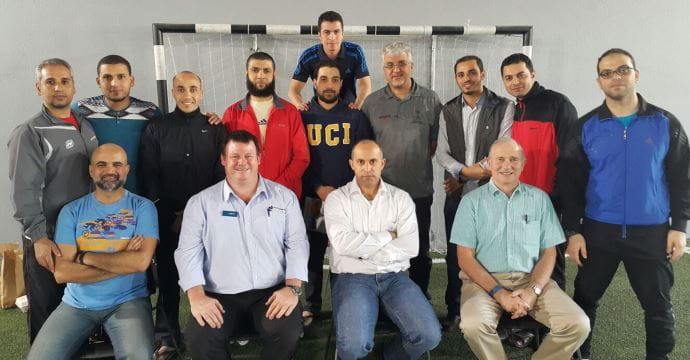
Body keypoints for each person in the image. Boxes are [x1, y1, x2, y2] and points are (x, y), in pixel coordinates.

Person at [560, 48, 689, 360]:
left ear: (636, 75)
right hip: (597, 232)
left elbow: (682, 178)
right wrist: (573, 231)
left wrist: (679, 227)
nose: (615, 77)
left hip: (652, 232)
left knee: (658, 306)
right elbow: (570, 184)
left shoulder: (664, 123)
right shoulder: (584, 127)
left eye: (622, 70)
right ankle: (582, 356)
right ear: (599, 81)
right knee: (584, 299)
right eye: (607, 73)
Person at [175, 130, 309, 360]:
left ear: (259, 158)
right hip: (220, 295)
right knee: (199, 340)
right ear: (223, 160)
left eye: (248, 156)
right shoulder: (200, 203)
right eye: (235, 156)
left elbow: (297, 243)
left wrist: (293, 288)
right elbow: (188, 251)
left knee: (287, 332)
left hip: (271, 292)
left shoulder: (284, 198)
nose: (242, 162)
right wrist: (196, 296)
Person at [452, 138, 589, 360]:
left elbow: (549, 252)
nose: (507, 165)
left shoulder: (540, 199)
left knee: (578, 324)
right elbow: (465, 258)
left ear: (523, 163)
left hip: (532, 280)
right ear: (488, 163)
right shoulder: (471, 202)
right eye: (500, 159)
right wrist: (499, 293)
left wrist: (533, 290)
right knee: (473, 325)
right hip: (484, 285)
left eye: (514, 159)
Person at [27, 144, 159, 360]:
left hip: (128, 301)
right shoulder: (71, 211)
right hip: (76, 304)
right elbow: (63, 273)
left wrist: (83, 256)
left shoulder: (142, 208)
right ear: (91, 170)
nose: (110, 170)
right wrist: (123, 261)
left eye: (117, 164)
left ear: (127, 169)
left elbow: (140, 262)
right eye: (101, 164)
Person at [8, 58, 99, 343]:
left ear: (73, 86)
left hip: (82, 231)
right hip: (47, 234)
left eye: (64, 81)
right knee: (48, 306)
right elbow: (23, 190)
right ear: (38, 88)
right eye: (50, 82)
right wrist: (38, 238)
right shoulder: (30, 132)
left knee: (77, 303)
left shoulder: (85, 126)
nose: (58, 88)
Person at [324, 140, 441, 359]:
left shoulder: (401, 199)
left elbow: (410, 247)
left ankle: (387, 355)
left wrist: (361, 251)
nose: (367, 168)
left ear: (382, 163)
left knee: (429, 336)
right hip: (352, 279)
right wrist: (388, 235)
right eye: (361, 162)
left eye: (373, 161)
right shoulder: (336, 199)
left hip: (395, 277)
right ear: (351, 164)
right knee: (353, 347)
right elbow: (342, 244)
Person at [140, 71, 227, 358]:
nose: (187, 95)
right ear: (173, 93)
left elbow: (220, 174)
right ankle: (166, 336)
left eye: (192, 89)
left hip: (208, 217)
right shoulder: (156, 127)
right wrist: (171, 213)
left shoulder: (215, 127)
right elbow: (150, 175)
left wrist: (198, 214)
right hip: (168, 217)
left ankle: (215, 330)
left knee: (213, 275)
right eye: (180, 89)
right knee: (168, 277)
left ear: (202, 93)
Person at [435, 55, 513, 330]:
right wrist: (462, 172)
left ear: (483, 74)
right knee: (457, 256)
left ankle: (498, 312)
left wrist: (468, 174)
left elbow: (503, 147)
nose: (466, 79)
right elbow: (441, 153)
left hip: (491, 195)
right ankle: (455, 309)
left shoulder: (503, 106)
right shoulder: (448, 110)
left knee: (492, 256)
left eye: (472, 73)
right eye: (461, 74)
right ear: (456, 78)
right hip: (456, 197)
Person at [361, 41, 441, 295]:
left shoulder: (430, 99)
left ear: (411, 66)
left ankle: (419, 297)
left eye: (401, 64)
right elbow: (366, 149)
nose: (396, 70)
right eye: (390, 65)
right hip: (381, 196)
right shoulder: (372, 103)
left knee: (418, 249)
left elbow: (434, 143)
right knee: (382, 249)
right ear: (384, 70)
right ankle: (383, 300)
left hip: (418, 191)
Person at [300, 60, 372, 326]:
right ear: (315, 82)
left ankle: (346, 304)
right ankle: (311, 305)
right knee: (313, 252)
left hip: (348, 199)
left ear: (341, 83)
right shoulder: (303, 115)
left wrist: (345, 193)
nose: (329, 85)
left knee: (347, 253)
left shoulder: (355, 115)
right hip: (314, 198)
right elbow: (299, 158)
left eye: (334, 79)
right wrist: (319, 189)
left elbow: (365, 157)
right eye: (323, 79)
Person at [500, 53, 578, 290]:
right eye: (509, 77)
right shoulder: (512, 110)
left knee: (551, 264)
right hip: (517, 199)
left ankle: (553, 322)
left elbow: (572, 157)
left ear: (533, 74)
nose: (516, 82)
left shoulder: (558, 105)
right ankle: (526, 318)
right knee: (523, 262)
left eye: (521, 75)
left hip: (548, 201)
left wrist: (559, 197)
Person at [222, 52, 310, 198]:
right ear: (247, 73)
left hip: (284, 195)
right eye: (255, 70)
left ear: (274, 74)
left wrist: (277, 187)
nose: (261, 75)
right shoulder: (232, 113)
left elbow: (302, 157)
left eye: (266, 70)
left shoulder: (290, 112)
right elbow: (227, 158)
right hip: (244, 197)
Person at [73, 55, 161, 194]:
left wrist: (205, 120)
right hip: (94, 197)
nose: (114, 83)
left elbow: (173, 133)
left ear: (131, 80)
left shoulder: (150, 112)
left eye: (121, 76)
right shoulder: (81, 110)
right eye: (107, 77)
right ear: (98, 81)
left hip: (138, 196)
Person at [289, 10, 371, 110]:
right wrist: (299, 104)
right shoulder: (308, 56)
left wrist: (357, 105)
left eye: (336, 32)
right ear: (319, 35)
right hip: (321, 110)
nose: (332, 37)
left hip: (348, 109)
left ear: (342, 34)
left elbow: (365, 85)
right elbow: (293, 90)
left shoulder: (355, 52)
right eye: (327, 32)